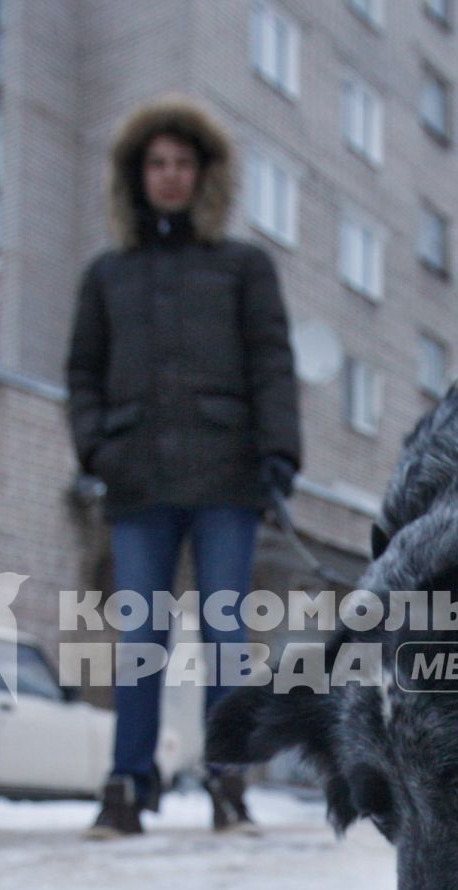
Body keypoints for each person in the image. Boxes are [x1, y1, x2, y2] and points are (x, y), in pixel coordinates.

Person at [64, 96, 302, 838]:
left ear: (204, 177)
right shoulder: (109, 275)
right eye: (156, 164)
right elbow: (82, 374)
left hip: (226, 478)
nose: (169, 176)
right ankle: (127, 785)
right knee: (141, 636)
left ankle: (228, 780)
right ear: (138, 177)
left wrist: (279, 453)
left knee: (226, 633)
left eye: (182, 164)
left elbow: (272, 362)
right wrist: (97, 448)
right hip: (137, 483)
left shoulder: (242, 266)